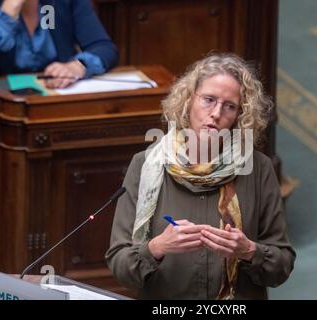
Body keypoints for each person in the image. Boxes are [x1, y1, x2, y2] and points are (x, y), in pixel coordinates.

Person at [105, 53, 296, 300]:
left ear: (240, 115)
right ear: (188, 101)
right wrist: (157, 247)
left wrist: (249, 251)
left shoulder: (258, 168)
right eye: (208, 99)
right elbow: (120, 267)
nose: (216, 113)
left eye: (230, 106)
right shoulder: (145, 164)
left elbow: (282, 266)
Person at [0, 0, 118, 88]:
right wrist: (9, 11)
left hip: (56, 101)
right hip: (0, 107)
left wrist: (77, 67)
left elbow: (104, 47)